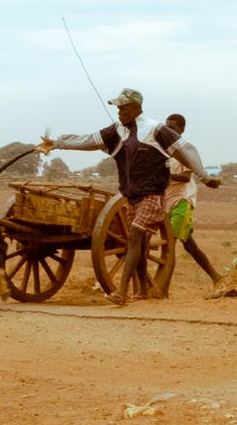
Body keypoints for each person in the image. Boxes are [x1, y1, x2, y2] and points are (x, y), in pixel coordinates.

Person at [37, 90, 177, 300]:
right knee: (140, 243)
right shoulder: (117, 132)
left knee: (135, 238)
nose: (119, 111)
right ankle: (145, 290)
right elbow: (87, 140)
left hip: (152, 196)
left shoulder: (154, 134)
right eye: (118, 108)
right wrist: (58, 143)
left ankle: (121, 291)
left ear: (135, 107)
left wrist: (203, 175)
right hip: (132, 196)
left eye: (122, 107)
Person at [155, 111, 235, 297]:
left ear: (181, 130)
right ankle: (216, 277)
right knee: (190, 246)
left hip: (182, 201)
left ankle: (163, 289)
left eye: (172, 128)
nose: (168, 130)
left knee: (170, 245)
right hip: (167, 203)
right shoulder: (161, 152)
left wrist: (163, 176)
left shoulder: (184, 152)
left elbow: (184, 177)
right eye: (166, 127)